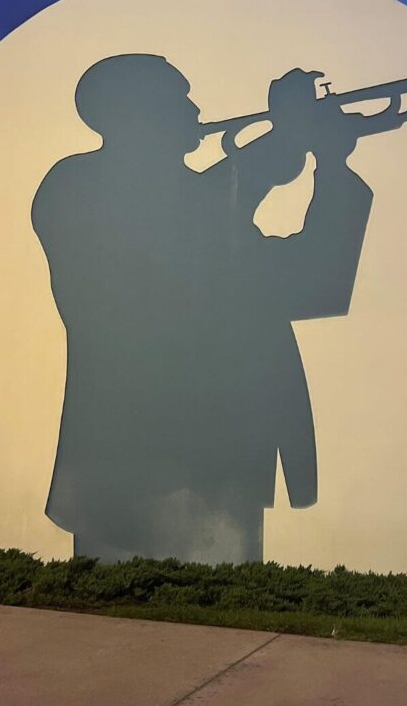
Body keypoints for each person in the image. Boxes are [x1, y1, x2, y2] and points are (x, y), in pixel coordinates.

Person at [32, 54, 374, 563]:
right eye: (179, 100)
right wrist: (316, 154)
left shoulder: (126, 193)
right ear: (137, 117)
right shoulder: (83, 188)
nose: (196, 110)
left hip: (193, 453)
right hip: (163, 461)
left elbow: (210, 212)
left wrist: (298, 145)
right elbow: (303, 281)